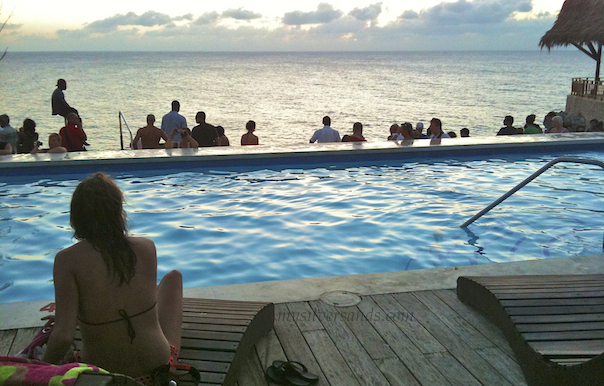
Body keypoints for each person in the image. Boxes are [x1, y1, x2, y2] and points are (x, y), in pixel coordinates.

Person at [41, 173, 183, 383]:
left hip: (105, 378)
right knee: (173, 279)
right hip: (156, 371)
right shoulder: (146, 247)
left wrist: (41, 370)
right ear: (118, 211)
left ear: (76, 216)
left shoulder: (67, 260)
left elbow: (63, 336)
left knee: (166, 282)